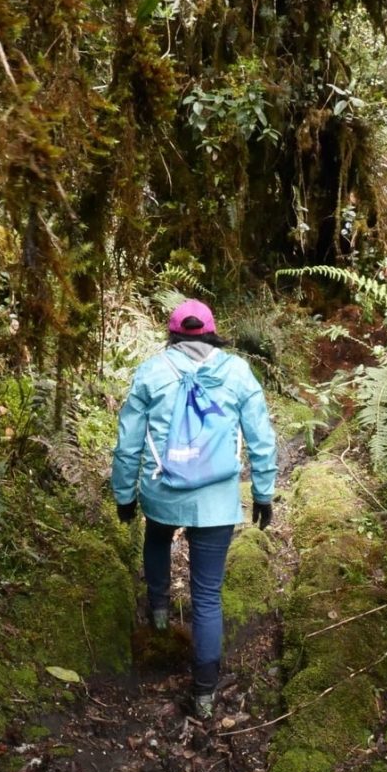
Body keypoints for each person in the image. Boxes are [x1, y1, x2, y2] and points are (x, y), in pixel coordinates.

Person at [111, 299, 277, 720]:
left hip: (162, 491)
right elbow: (260, 436)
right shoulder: (237, 373)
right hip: (217, 501)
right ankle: (204, 695)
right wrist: (263, 493)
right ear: (210, 333)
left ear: (173, 335)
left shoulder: (151, 372)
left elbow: (129, 442)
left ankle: (161, 613)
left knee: (157, 535)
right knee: (207, 596)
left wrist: (124, 495)